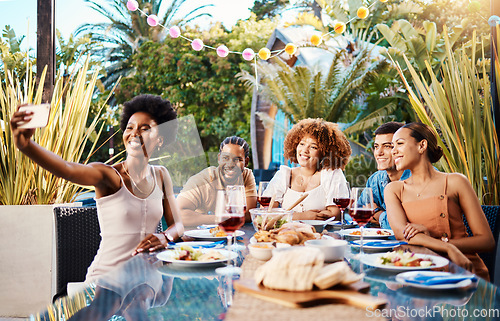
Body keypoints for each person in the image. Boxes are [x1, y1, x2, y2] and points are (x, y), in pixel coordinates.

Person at [10, 94, 184, 283]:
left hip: (150, 280)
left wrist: (165, 236)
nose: (134, 133)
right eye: (130, 127)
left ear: (160, 139)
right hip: (108, 281)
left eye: (145, 128)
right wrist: (25, 145)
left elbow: (178, 225)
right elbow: (66, 169)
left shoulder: (161, 175)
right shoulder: (107, 176)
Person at [385, 122, 494, 279]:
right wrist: (448, 247)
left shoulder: (456, 182)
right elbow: (402, 234)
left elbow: (486, 241)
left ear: (422, 145)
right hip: (420, 271)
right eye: (392, 146)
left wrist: (447, 246)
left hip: (463, 270)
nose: (393, 151)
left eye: (399, 144)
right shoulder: (394, 190)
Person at [263, 118, 351, 220]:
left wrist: (283, 217)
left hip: (323, 235)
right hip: (288, 234)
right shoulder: (284, 175)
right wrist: (302, 216)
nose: (304, 150)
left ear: (325, 152)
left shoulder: (331, 175)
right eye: (302, 144)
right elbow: (265, 212)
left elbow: (335, 215)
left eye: (313, 147)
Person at [177, 136, 257, 227]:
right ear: (219, 158)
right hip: (199, 236)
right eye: (226, 158)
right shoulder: (203, 180)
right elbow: (177, 215)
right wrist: (220, 218)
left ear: (246, 162)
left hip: (233, 234)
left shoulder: (246, 175)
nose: (230, 164)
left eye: (237, 159)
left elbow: (249, 214)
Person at [365, 122, 411, 229]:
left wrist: (377, 213)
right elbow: (361, 211)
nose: (379, 152)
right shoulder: (375, 179)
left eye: (387, 146)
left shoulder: (419, 177)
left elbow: (404, 227)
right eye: (376, 147)